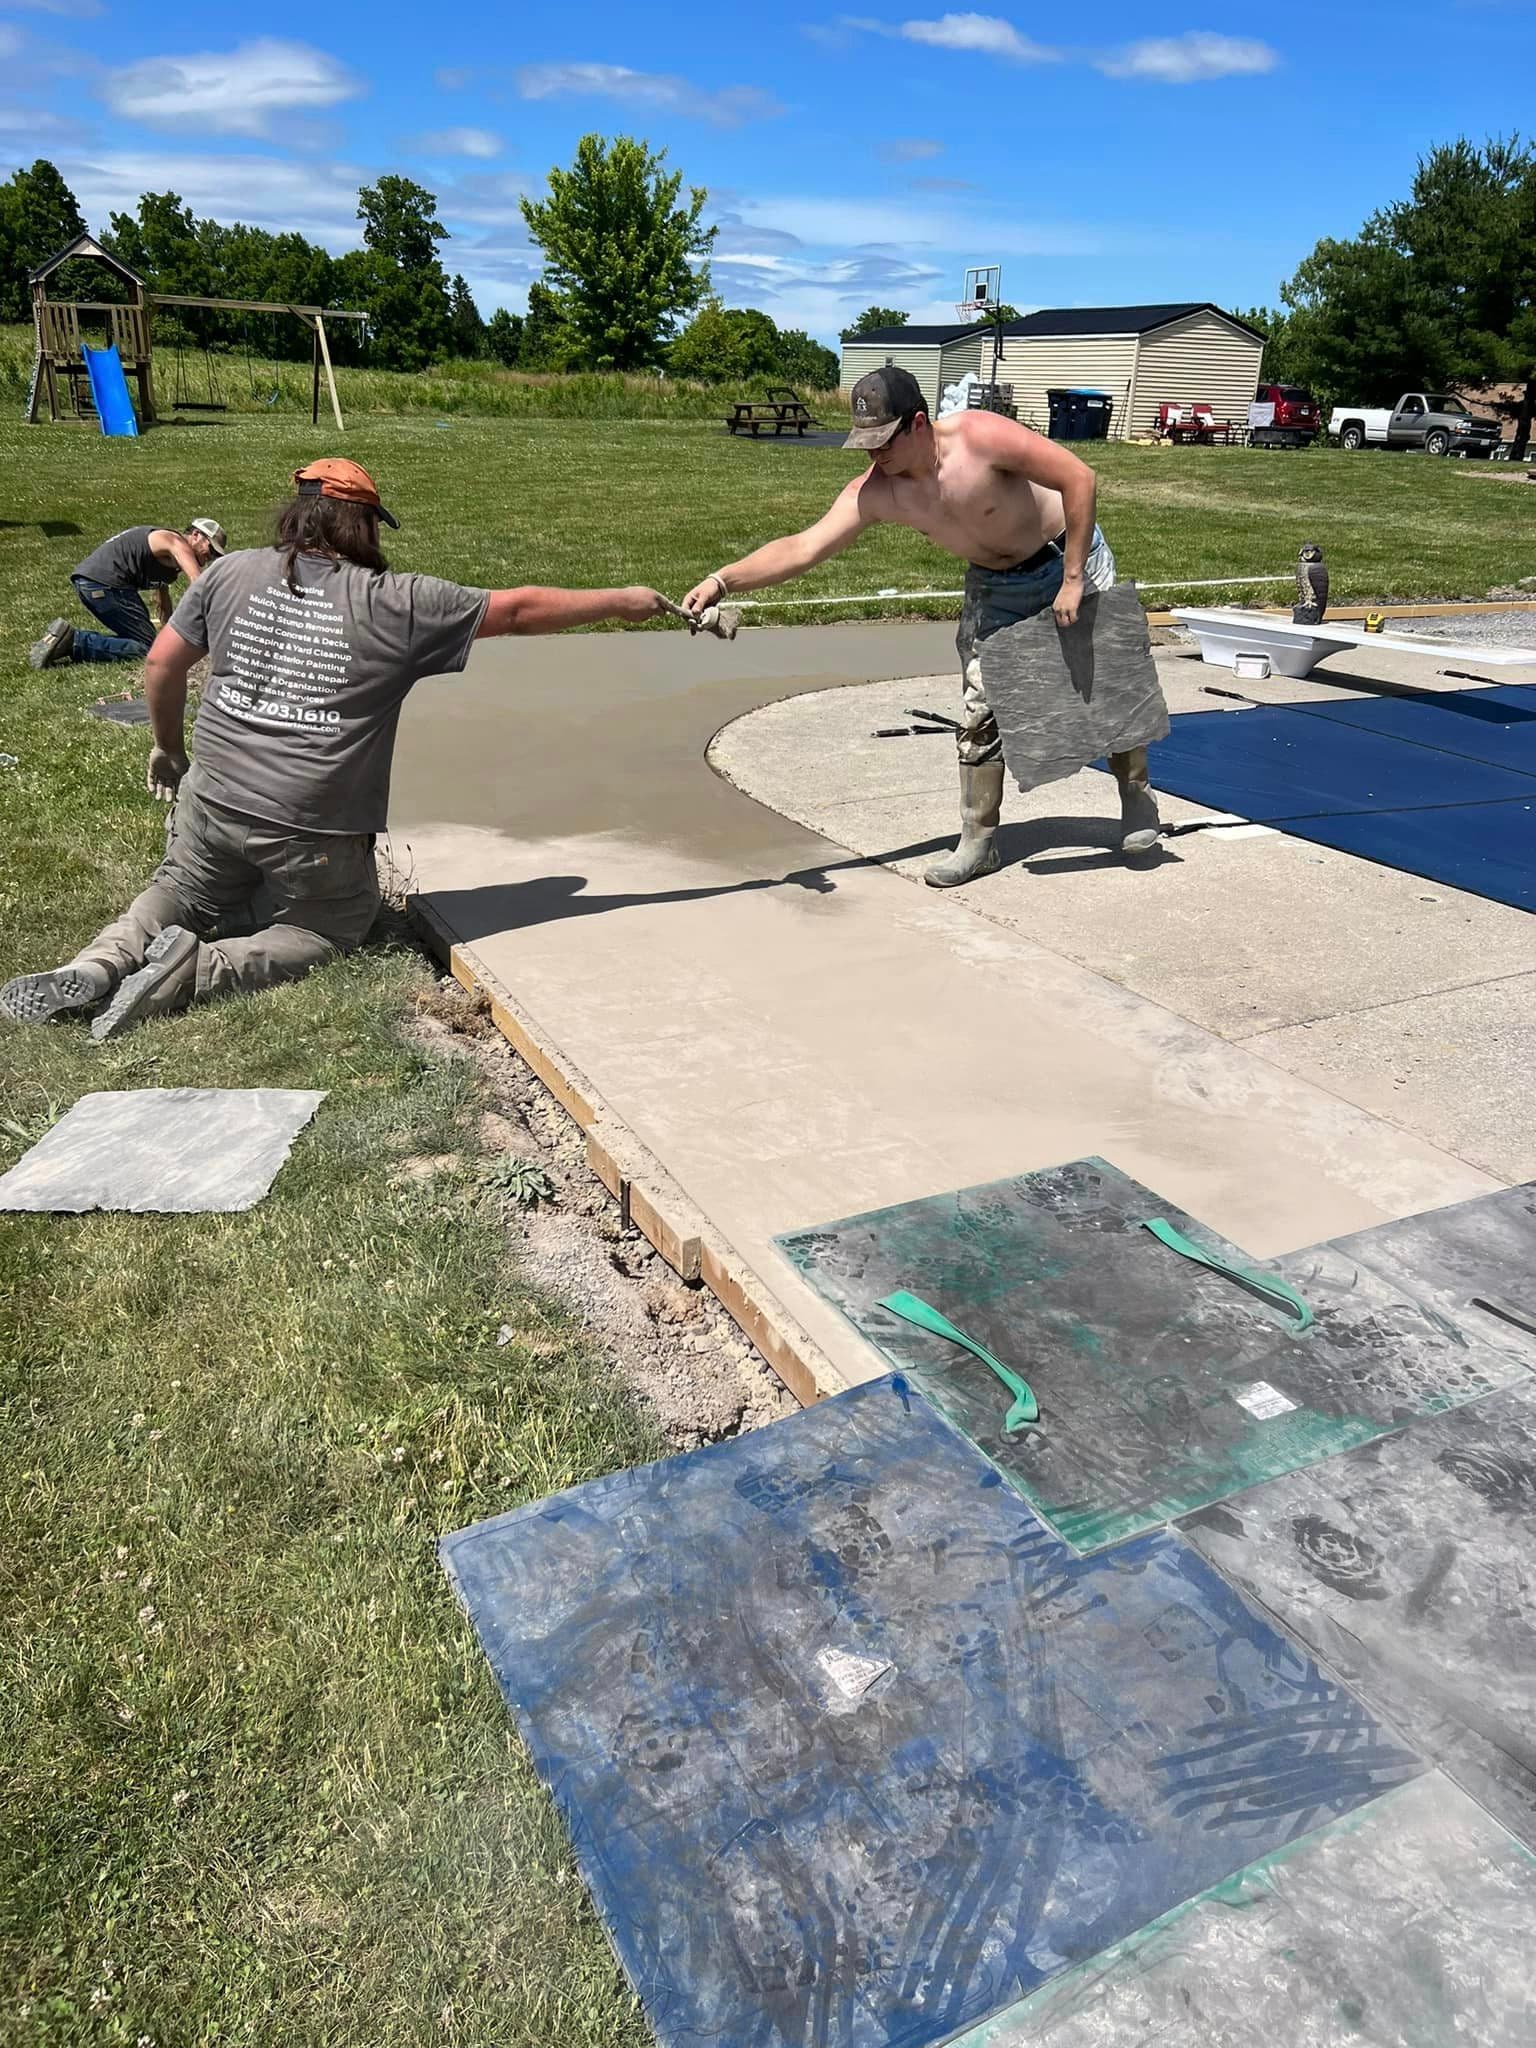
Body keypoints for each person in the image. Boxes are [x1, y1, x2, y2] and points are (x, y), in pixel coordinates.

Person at [2, 459, 665, 1040]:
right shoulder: (399, 602)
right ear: (365, 526)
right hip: (312, 828)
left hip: (212, 802)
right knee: (333, 926)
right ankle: (199, 970)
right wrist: (627, 601)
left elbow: (163, 667)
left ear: (299, 515)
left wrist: (168, 751)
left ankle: (97, 963)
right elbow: (517, 610)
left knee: (180, 888)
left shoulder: (226, 575)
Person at [682, 366, 1166, 885]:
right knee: (981, 709)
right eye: (865, 445)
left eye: (884, 442)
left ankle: (1136, 800)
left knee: (1104, 687)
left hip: (1066, 553)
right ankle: (979, 842)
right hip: (998, 586)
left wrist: (1073, 578)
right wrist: (722, 580)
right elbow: (804, 546)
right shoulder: (877, 490)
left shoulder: (980, 437)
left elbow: (1079, 478)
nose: (875, 456)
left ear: (917, 424)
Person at [30, 519, 228, 669]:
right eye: (210, 549)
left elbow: (162, 599)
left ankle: (61, 638)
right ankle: (74, 641)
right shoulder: (175, 542)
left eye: (215, 555)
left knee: (144, 641)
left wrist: (169, 634)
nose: (210, 557)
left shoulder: (171, 564)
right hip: (104, 584)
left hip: (95, 583)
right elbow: (198, 583)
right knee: (148, 648)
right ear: (195, 535)